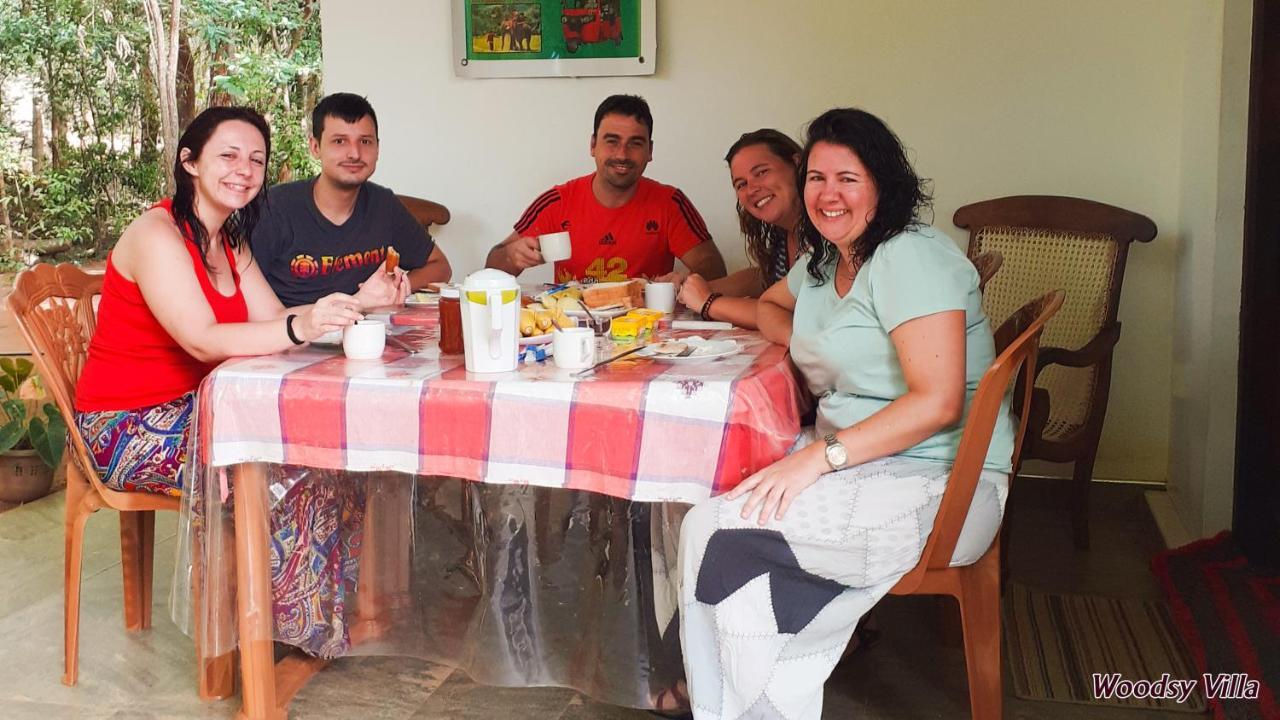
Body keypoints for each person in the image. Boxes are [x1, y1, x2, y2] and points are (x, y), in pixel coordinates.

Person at [676, 108, 1016, 719]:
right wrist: (800, 326)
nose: (827, 194)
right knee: (694, 498)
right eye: (816, 177)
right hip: (867, 463)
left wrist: (818, 458)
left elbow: (937, 403)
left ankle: (740, 702)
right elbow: (770, 308)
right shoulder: (827, 260)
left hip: (945, 484)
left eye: (848, 179)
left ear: (883, 184)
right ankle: (730, 698)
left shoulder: (910, 258)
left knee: (717, 534)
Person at [73, 106, 400, 658]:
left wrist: (357, 302)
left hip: (203, 407)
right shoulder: (156, 234)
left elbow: (276, 324)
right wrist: (304, 322)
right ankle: (269, 637)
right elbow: (202, 338)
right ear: (189, 162)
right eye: (228, 155)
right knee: (286, 463)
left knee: (332, 450)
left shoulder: (230, 242)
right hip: (126, 424)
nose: (244, 170)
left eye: (256, 160)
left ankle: (306, 626)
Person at [486, 94, 727, 284]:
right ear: (593, 145)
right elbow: (492, 269)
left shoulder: (670, 203)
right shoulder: (557, 201)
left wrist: (686, 279)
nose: (622, 154)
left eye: (635, 143)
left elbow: (714, 271)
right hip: (573, 329)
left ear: (650, 151)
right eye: (611, 142)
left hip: (648, 332)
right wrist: (511, 256)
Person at [252, 92, 449, 307]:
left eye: (365, 141)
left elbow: (440, 266)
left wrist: (396, 288)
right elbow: (238, 293)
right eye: (339, 141)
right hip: (295, 334)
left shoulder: (383, 204)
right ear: (315, 147)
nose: (354, 153)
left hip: (368, 333)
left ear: (377, 149)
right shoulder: (274, 207)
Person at [663, 129, 803, 329]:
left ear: (797, 163)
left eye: (761, 172)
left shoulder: (824, 231)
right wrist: (694, 287)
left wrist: (708, 302)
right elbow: (767, 277)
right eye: (741, 184)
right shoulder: (782, 232)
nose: (752, 189)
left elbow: (789, 314)